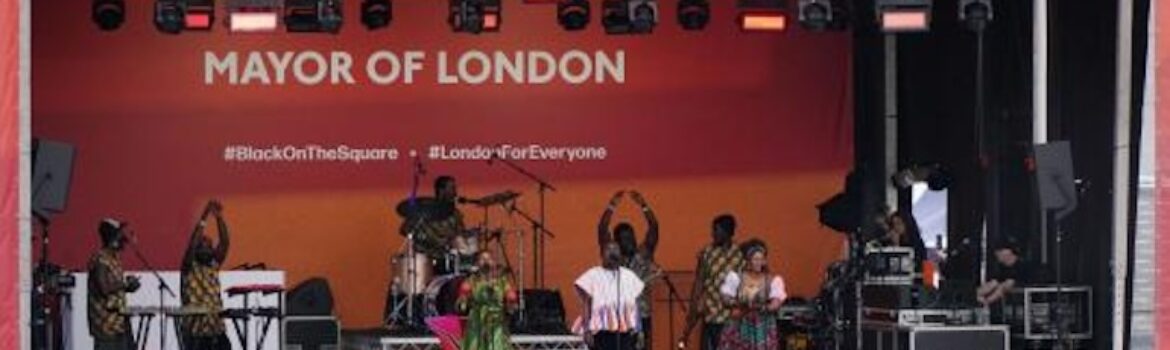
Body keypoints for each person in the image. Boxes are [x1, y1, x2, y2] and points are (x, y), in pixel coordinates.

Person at [598, 190, 661, 350]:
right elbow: (602, 229)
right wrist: (611, 205)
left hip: (642, 315)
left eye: (632, 236)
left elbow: (653, 228)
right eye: (625, 238)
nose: (631, 241)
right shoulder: (614, 259)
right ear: (617, 242)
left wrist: (644, 206)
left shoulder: (643, 254)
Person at [680, 214, 744, 350]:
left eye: (716, 230)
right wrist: (693, 307)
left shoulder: (740, 254)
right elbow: (699, 282)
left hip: (733, 316)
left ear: (728, 232)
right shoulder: (707, 253)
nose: (712, 234)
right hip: (712, 314)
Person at [575, 242, 646, 350]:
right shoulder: (593, 275)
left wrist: (639, 330)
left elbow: (636, 305)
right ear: (601, 254)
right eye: (609, 249)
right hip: (601, 332)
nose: (612, 251)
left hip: (626, 332)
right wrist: (586, 330)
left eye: (615, 249)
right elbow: (587, 304)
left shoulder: (629, 276)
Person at [180, 200, 231, 350]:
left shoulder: (213, 264)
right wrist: (204, 216)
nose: (207, 249)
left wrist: (219, 217)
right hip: (196, 333)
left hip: (216, 328)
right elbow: (192, 244)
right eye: (202, 247)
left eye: (209, 247)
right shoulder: (189, 266)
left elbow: (225, 242)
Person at [718, 239, 786, 350]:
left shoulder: (772, 280)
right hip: (740, 323)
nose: (758, 262)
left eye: (761, 259)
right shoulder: (736, 278)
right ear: (748, 261)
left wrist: (765, 307)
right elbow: (725, 298)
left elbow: (776, 302)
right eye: (755, 259)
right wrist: (736, 302)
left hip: (762, 327)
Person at [87, 219, 140, 350]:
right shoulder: (100, 259)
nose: (123, 238)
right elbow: (104, 288)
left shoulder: (114, 258)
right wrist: (124, 284)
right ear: (112, 238)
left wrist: (128, 286)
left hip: (119, 320)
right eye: (119, 235)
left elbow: (114, 286)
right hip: (106, 324)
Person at [400, 175, 469, 273]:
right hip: (424, 261)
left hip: (447, 260)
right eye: (452, 188)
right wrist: (425, 238)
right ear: (441, 191)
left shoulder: (455, 214)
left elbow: (461, 234)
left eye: (455, 188)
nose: (455, 192)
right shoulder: (424, 209)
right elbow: (404, 230)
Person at [457, 250, 519, 350]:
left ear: (493, 262)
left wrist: (510, 302)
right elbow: (462, 303)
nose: (486, 261)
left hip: (496, 324)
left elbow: (511, 298)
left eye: (489, 258)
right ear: (477, 263)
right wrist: (464, 299)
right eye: (482, 259)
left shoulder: (501, 282)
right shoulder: (472, 281)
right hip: (477, 324)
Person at [977, 242, 1043, 305]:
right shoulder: (1003, 270)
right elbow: (994, 282)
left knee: (1007, 284)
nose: (998, 258)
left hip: (1029, 292)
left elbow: (1008, 284)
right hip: (1013, 295)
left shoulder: (1023, 265)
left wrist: (988, 301)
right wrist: (978, 294)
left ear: (1008, 252)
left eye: (1000, 254)